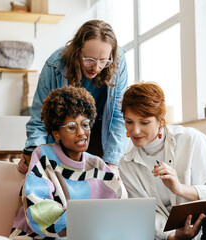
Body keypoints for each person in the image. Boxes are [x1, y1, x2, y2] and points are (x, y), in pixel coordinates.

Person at [118, 82, 206, 240]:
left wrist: (179, 188)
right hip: (174, 235)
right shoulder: (127, 164)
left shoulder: (192, 140)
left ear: (161, 120)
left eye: (144, 122)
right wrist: (173, 236)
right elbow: (144, 213)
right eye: (129, 122)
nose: (135, 131)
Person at [10, 86, 122, 239]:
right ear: (56, 134)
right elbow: (39, 212)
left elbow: (119, 208)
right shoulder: (43, 156)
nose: (81, 133)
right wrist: (88, 221)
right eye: (71, 127)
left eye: (85, 124)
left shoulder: (98, 165)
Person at [18, 19, 129, 174]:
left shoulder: (118, 62)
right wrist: (33, 153)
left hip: (100, 136)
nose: (96, 67)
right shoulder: (54, 65)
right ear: (77, 51)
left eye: (103, 61)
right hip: (66, 137)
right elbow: (40, 119)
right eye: (89, 59)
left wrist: (112, 163)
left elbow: (118, 116)